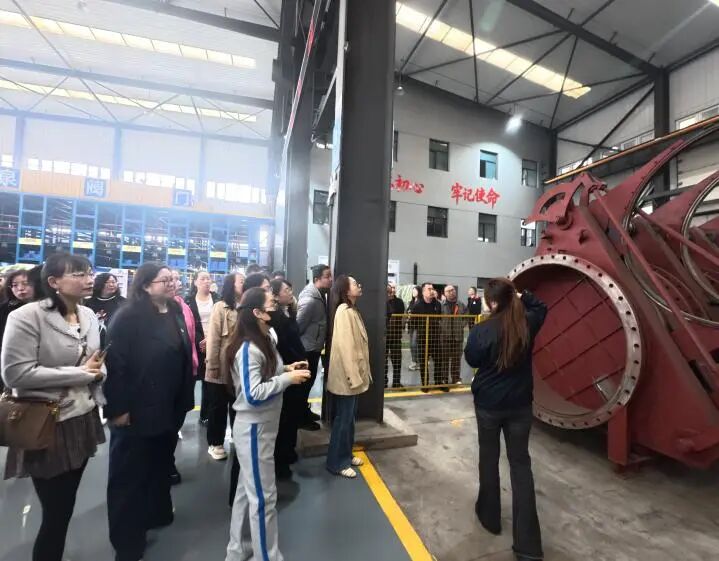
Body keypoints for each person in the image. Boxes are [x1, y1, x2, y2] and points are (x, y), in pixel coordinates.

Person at [1, 253, 105, 561]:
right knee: (56, 512)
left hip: (82, 417)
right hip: (45, 421)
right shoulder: (26, 316)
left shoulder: (88, 315)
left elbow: (96, 361)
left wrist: (99, 371)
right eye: (78, 274)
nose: (88, 279)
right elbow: (15, 374)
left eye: (89, 273)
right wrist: (82, 374)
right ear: (53, 281)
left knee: (66, 504)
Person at [104, 263, 194, 561]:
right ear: (145, 286)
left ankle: (157, 512)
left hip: (169, 406)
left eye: (173, 279)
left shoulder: (175, 310)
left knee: (159, 465)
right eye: (163, 280)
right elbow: (115, 366)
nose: (171, 284)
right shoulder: (128, 317)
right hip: (136, 409)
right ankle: (127, 542)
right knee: (129, 476)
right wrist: (118, 409)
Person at [464, 278, 547, 561]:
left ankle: (490, 517)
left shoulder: (482, 330)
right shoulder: (527, 323)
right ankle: (528, 547)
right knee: (521, 466)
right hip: (520, 406)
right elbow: (542, 307)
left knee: (489, 459)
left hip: (488, 406)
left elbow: (472, 360)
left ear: (492, 303)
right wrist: (523, 295)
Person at [225, 287, 310, 561]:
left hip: (262, 427)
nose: (276, 306)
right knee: (264, 498)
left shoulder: (264, 340)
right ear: (258, 312)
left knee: (245, 492)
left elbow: (265, 373)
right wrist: (286, 380)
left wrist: (286, 369)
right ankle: (267, 556)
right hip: (254, 429)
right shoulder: (249, 348)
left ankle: (238, 549)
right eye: (271, 303)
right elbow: (252, 394)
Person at [325, 275, 372, 479]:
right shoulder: (344, 312)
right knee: (343, 420)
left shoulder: (351, 310)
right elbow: (346, 349)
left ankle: (346, 454)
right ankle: (336, 463)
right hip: (347, 378)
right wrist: (354, 378)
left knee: (349, 419)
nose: (358, 285)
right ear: (345, 290)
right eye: (354, 283)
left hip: (352, 378)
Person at [269, 278, 307, 479]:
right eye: (286, 290)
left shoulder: (288, 313)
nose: (290, 292)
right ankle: (281, 460)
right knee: (285, 418)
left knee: (292, 415)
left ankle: (289, 452)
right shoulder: (275, 318)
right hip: (286, 370)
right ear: (275, 296)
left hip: (294, 367)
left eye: (291, 288)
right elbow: (283, 345)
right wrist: (294, 362)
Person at [205, 272, 245, 461]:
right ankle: (215, 443)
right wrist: (212, 365)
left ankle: (237, 436)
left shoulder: (245, 307)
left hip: (238, 366)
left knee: (237, 405)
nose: (244, 284)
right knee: (218, 407)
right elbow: (213, 338)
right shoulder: (220, 307)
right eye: (241, 281)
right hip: (220, 366)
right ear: (231, 285)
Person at [296, 264, 333, 431]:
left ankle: (304, 411)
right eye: (327, 276)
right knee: (304, 385)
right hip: (307, 348)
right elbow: (299, 326)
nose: (330, 279)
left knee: (309, 383)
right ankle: (300, 419)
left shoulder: (320, 295)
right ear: (317, 279)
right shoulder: (310, 299)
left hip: (314, 346)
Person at [170, 270, 198, 485]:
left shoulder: (183, 306)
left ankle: (167, 458)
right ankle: (164, 462)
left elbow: (191, 336)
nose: (175, 283)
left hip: (186, 371)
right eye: (168, 279)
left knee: (177, 418)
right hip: (164, 377)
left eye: (176, 279)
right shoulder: (144, 312)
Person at [0, 266, 41, 391]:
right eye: (15, 285)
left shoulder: (45, 308)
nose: (20, 288)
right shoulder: (5, 309)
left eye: (25, 283)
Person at [186, 271, 219, 424]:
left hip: (214, 344)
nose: (206, 281)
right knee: (191, 380)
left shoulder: (218, 299)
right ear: (195, 282)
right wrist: (200, 340)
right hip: (196, 346)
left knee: (209, 383)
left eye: (208, 278)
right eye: (203, 278)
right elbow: (188, 324)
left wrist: (210, 340)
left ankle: (205, 415)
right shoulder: (188, 301)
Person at [410, 283, 443, 392]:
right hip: (423, 339)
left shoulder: (437, 304)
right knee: (423, 362)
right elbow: (413, 322)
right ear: (423, 292)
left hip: (435, 338)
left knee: (438, 361)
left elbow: (440, 318)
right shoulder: (417, 305)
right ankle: (425, 384)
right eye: (429, 289)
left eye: (432, 289)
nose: (432, 291)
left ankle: (438, 382)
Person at [85, 273, 126, 347]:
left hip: (115, 344)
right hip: (91, 343)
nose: (111, 285)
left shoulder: (123, 303)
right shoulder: (89, 303)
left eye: (113, 282)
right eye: (107, 282)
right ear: (99, 284)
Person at [441, 285, 469, 386]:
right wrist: (442, 326)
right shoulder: (441, 305)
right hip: (445, 337)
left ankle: (456, 378)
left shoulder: (461, 304)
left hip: (458, 337)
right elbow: (437, 318)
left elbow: (467, 316)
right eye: (448, 291)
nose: (451, 292)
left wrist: (461, 325)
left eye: (452, 290)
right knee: (444, 359)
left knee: (456, 359)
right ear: (445, 294)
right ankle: (444, 378)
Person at [385, 283, 405, 388]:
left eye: (393, 288)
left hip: (396, 336)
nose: (391, 290)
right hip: (384, 336)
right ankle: (383, 382)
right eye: (389, 289)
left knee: (397, 360)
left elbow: (401, 317)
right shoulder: (382, 302)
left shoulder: (399, 302)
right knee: (383, 361)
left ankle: (396, 382)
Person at [407, 285, 421, 371]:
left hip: (418, 326)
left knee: (414, 344)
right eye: (412, 291)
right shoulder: (411, 302)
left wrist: (412, 314)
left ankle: (417, 362)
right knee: (411, 345)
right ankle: (414, 361)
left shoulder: (420, 302)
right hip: (411, 326)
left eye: (415, 290)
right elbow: (408, 310)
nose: (413, 292)